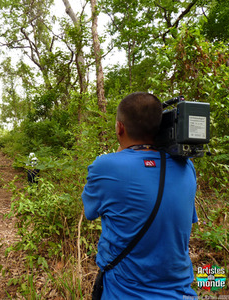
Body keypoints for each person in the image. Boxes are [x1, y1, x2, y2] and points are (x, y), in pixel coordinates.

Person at [82, 92, 198, 299]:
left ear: (120, 127)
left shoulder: (105, 166)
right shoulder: (186, 166)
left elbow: (90, 212)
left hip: (124, 292)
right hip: (180, 293)